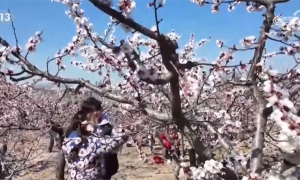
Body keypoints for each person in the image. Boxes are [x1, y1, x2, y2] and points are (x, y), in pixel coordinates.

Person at [62, 99, 128, 180]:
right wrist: (129, 131)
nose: (94, 126)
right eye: (92, 123)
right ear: (84, 125)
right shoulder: (91, 143)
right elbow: (114, 142)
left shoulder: (69, 138)